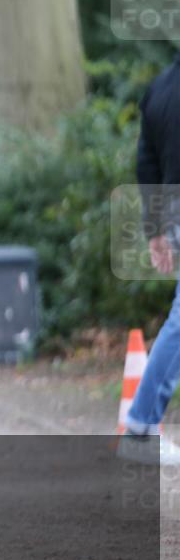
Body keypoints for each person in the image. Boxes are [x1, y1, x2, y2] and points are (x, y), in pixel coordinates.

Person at [118, 51, 180, 465]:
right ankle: (140, 425)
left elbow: (147, 165)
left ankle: (140, 425)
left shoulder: (159, 89)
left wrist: (156, 230)